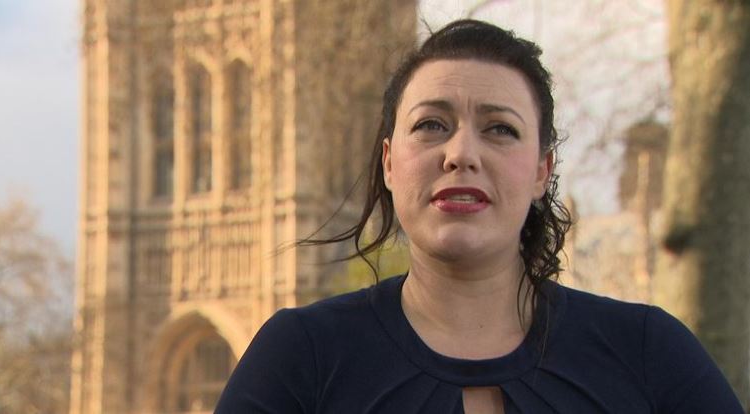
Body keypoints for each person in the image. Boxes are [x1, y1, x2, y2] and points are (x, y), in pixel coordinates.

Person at [215, 19, 743, 413]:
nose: (461, 153)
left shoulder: (648, 353)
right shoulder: (302, 357)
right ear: (389, 162)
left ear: (542, 171)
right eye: (431, 125)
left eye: (499, 129)